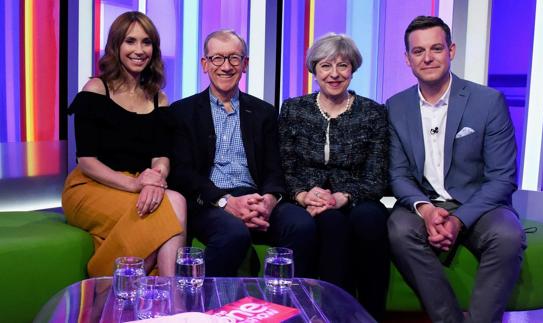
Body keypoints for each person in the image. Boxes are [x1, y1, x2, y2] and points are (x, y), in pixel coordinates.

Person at [386, 16, 526, 323]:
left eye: (436, 48)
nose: (428, 57)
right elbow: (398, 175)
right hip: (425, 203)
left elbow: (502, 178)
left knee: (507, 235)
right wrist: (425, 210)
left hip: (480, 203)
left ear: (451, 50)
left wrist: (458, 220)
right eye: (418, 51)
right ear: (407, 59)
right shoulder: (395, 107)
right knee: (398, 229)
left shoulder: (488, 102)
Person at [169, 30, 316, 278]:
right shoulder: (182, 112)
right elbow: (183, 174)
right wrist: (227, 202)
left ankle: (280, 307)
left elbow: (274, 168)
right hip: (209, 202)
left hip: (256, 199)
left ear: (245, 64)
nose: (226, 66)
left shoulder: (264, 112)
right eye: (217, 58)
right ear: (205, 64)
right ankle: (199, 306)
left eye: (234, 58)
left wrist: (268, 200)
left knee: (301, 225)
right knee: (233, 233)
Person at [62, 11, 186, 277]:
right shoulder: (95, 89)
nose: (139, 50)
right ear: (116, 46)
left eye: (146, 42)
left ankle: (166, 294)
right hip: (90, 186)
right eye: (130, 41)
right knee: (165, 211)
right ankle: (112, 289)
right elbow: (86, 160)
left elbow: (161, 157)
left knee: (176, 199)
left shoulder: (158, 98)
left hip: (140, 184)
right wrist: (135, 184)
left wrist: (155, 177)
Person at [278, 33, 389, 320]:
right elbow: (285, 164)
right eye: (326, 66)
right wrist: (303, 195)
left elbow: (377, 174)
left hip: (357, 195)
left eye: (343, 65)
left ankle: (371, 314)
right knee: (332, 224)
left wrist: (343, 196)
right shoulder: (293, 109)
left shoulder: (373, 113)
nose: (335, 74)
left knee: (370, 220)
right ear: (314, 70)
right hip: (309, 197)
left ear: (353, 69)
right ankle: (331, 314)